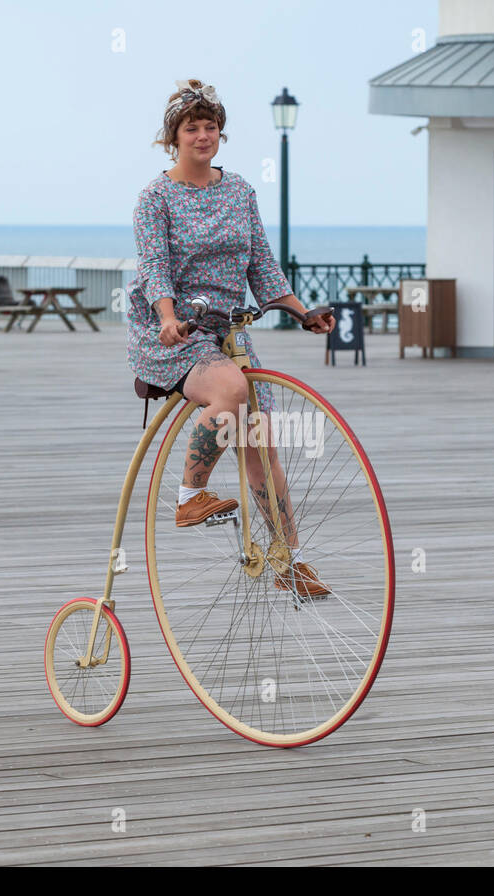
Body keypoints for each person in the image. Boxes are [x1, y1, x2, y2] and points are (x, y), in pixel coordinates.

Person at [126, 78, 335, 597]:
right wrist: (168, 316)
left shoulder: (240, 190)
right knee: (231, 391)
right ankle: (188, 496)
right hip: (174, 332)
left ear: (221, 133)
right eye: (191, 128)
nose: (202, 135)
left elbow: (261, 263)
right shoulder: (155, 198)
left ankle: (289, 559)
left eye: (210, 126)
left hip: (227, 335)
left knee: (261, 452)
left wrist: (300, 312)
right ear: (172, 137)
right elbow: (154, 268)